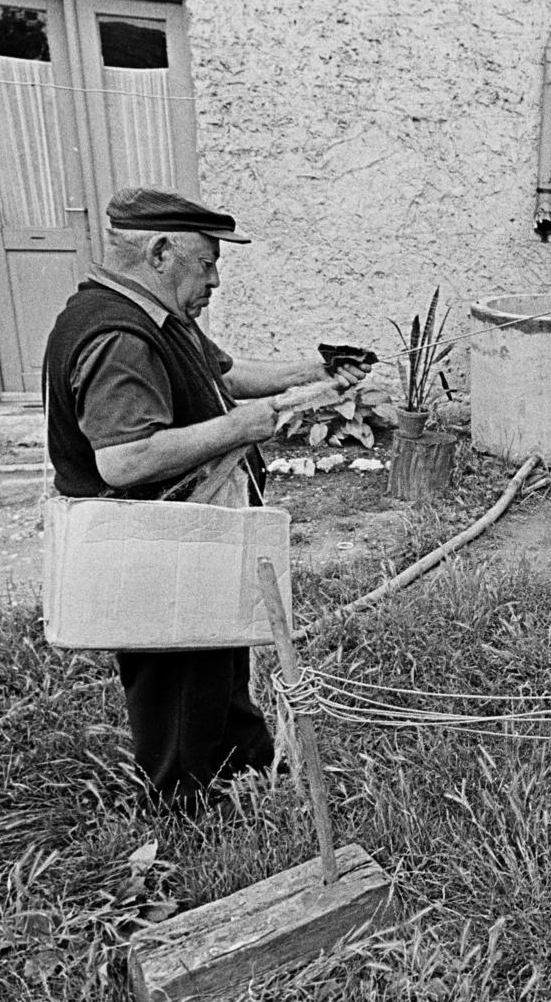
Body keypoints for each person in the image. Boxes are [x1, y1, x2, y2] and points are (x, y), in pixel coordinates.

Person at [43, 187, 369, 809]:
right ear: (162, 252)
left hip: (191, 532)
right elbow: (123, 461)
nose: (216, 278)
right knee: (179, 677)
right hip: (157, 545)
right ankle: (188, 811)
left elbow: (222, 374)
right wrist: (241, 426)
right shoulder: (119, 336)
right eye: (208, 262)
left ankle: (245, 773)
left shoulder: (159, 317)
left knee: (219, 656)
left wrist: (317, 371)